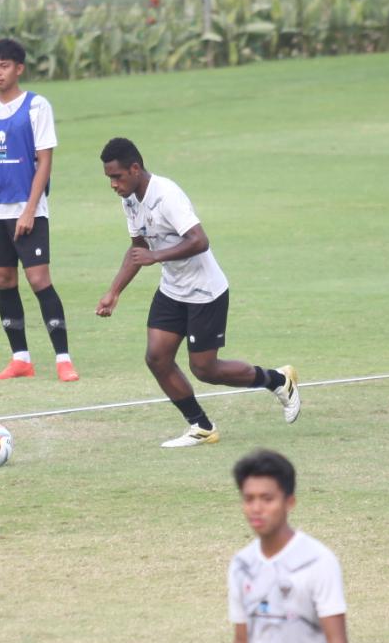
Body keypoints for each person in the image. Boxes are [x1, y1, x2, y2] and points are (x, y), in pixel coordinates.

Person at [94, 138, 300, 447]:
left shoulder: (167, 196)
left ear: (134, 169)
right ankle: (201, 426)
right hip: (173, 289)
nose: (113, 184)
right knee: (157, 358)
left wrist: (157, 256)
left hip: (205, 292)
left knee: (206, 369)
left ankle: (278, 381)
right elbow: (138, 248)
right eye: (109, 178)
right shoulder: (130, 200)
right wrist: (114, 292)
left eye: (117, 176)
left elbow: (199, 240)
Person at [0, 38, 78, 382]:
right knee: (4, 279)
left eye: (4, 66)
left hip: (27, 209)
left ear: (19, 69)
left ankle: (63, 359)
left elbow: (45, 162)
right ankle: (21, 359)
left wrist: (30, 209)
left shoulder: (36, 106)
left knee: (38, 278)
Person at [228, 450, 349, 643]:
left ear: (289, 502)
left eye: (267, 499)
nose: (256, 508)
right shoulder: (241, 564)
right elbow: (242, 642)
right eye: (249, 499)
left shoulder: (319, 561)